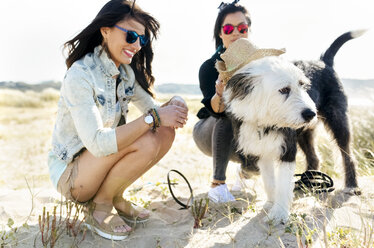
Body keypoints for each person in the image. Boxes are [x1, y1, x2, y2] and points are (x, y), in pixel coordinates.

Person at [48, 0, 188, 240]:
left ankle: (115, 196)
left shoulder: (125, 74)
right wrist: (153, 117)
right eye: (131, 35)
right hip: (72, 177)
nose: (136, 45)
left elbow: (153, 112)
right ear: (105, 30)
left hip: (96, 165)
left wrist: (174, 103)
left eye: (141, 39)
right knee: (146, 138)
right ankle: (100, 206)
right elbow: (98, 143)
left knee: (163, 133)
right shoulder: (80, 75)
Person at [193, 0, 253, 203]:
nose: (235, 33)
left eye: (242, 28)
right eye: (228, 28)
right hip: (209, 132)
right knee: (229, 113)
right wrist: (220, 94)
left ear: (248, 31)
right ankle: (217, 185)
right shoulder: (209, 67)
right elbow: (217, 111)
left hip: (244, 135)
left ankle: (245, 174)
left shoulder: (259, 66)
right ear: (220, 33)